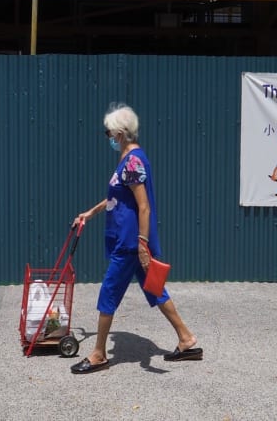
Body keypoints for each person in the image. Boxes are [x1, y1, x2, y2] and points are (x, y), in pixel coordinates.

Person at [70, 103, 202, 374]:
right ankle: (186, 338)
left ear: (120, 133)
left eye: (109, 133)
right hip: (130, 239)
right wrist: (90, 213)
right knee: (155, 287)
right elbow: (118, 197)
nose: (108, 138)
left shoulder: (132, 160)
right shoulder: (130, 159)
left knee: (108, 292)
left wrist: (141, 243)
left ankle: (98, 354)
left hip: (129, 242)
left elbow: (144, 206)